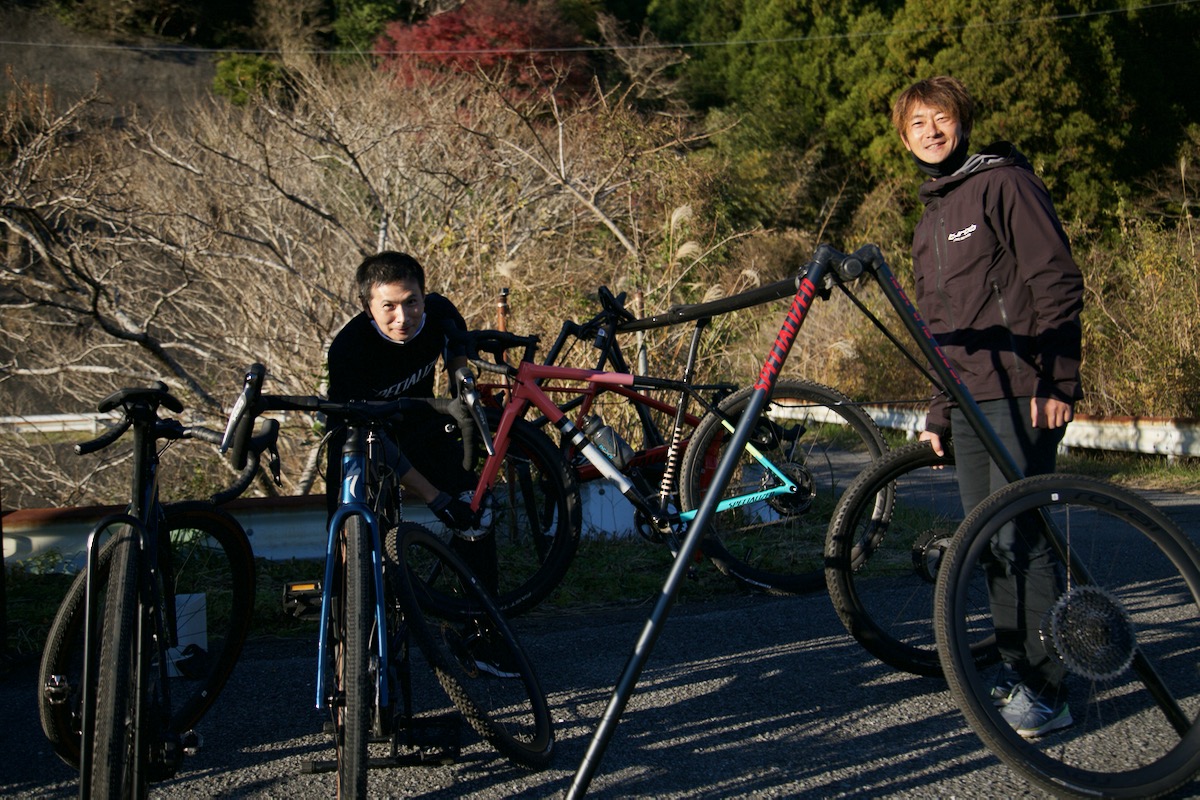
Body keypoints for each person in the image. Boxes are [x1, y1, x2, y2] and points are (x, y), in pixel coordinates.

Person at [892, 76, 1084, 737]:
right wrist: (942, 408)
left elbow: (1055, 279)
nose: (931, 132)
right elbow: (942, 329)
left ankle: (1049, 688)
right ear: (904, 138)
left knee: (1021, 539)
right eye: (918, 124)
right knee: (990, 545)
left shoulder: (1003, 184)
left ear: (962, 122)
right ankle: (1017, 668)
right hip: (971, 401)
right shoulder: (929, 221)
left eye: (941, 118)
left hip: (1024, 389)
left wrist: (1059, 378)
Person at [326, 250, 478, 531]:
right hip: (358, 434)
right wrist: (435, 498)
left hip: (418, 421)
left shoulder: (440, 313)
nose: (403, 317)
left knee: (469, 498)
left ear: (423, 295)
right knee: (349, 520)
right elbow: (368, 435)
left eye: (411, 302)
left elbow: (458, 355)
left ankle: (476, 572)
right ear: (366, 305)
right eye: (389, 306)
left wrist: (462, 397)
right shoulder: (348, 348)